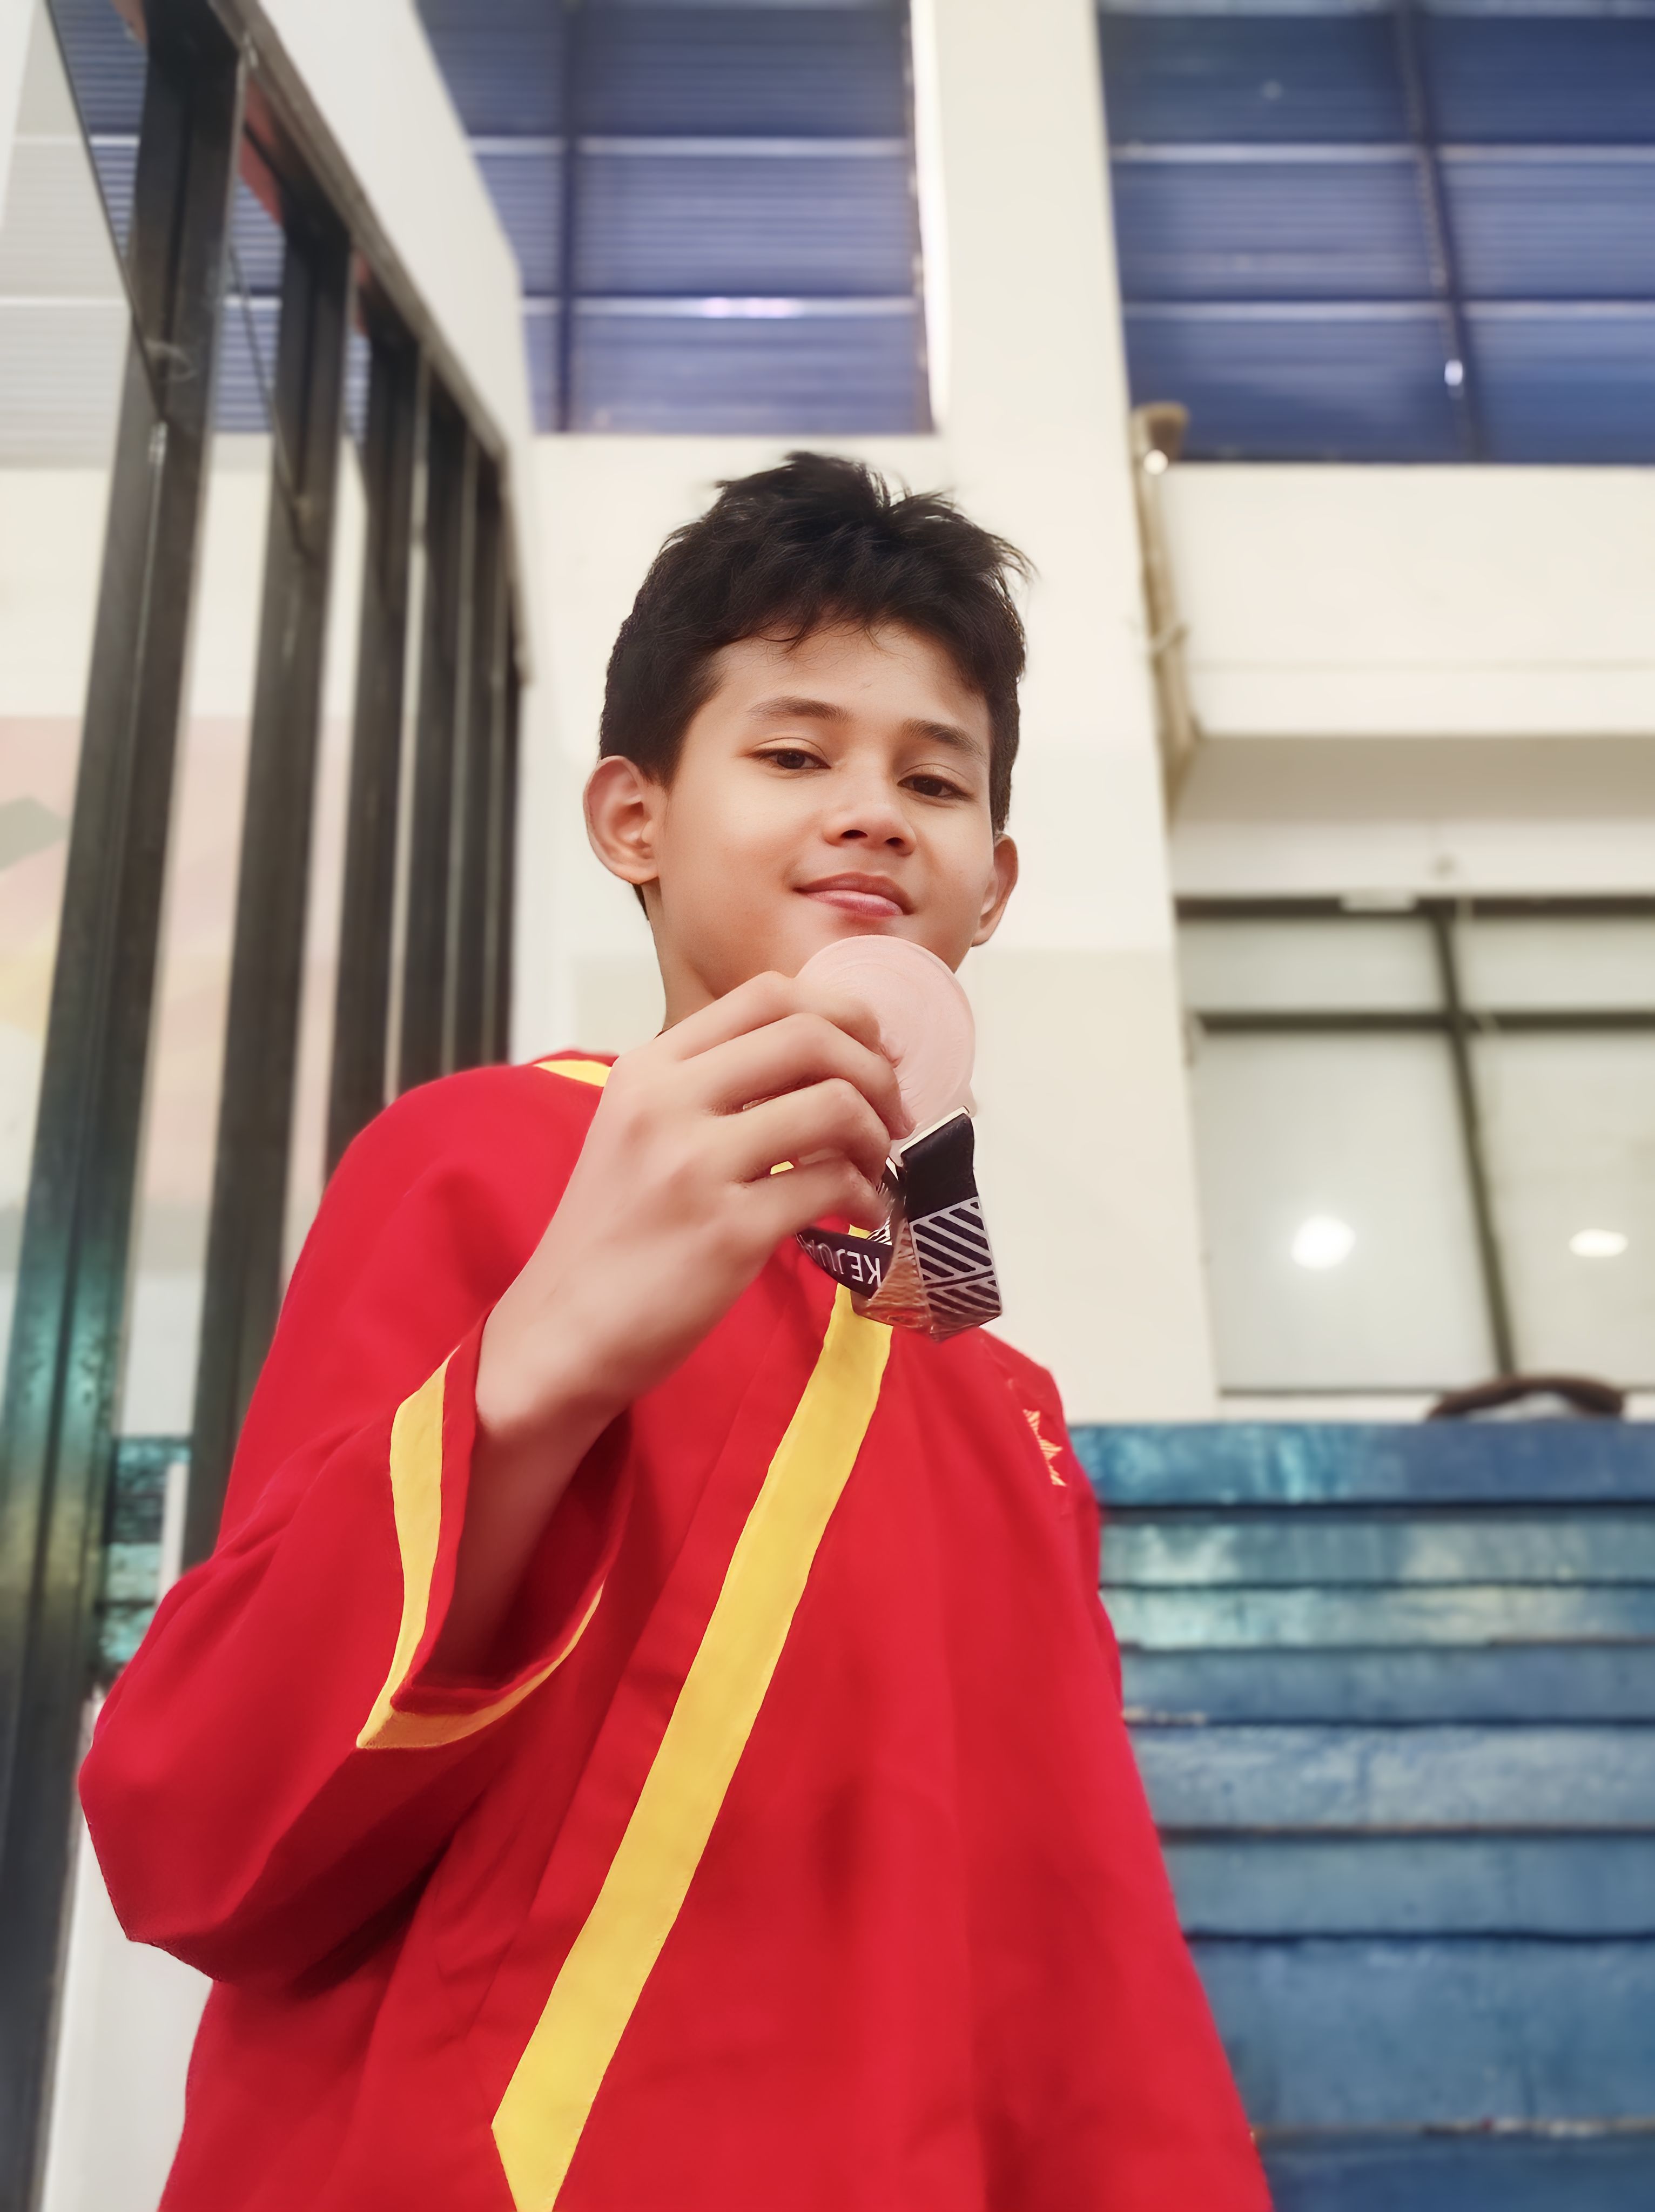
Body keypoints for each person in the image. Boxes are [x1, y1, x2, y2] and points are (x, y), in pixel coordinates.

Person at [83, 454, 1271, 2211]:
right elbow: (200, 1825)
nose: (872, 813)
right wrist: (529, 1380)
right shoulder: (488, 1159)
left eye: (932, 778)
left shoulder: (999, 1391)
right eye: (793, 755)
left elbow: (1079, 1934)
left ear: (995, 880)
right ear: (633, 819)